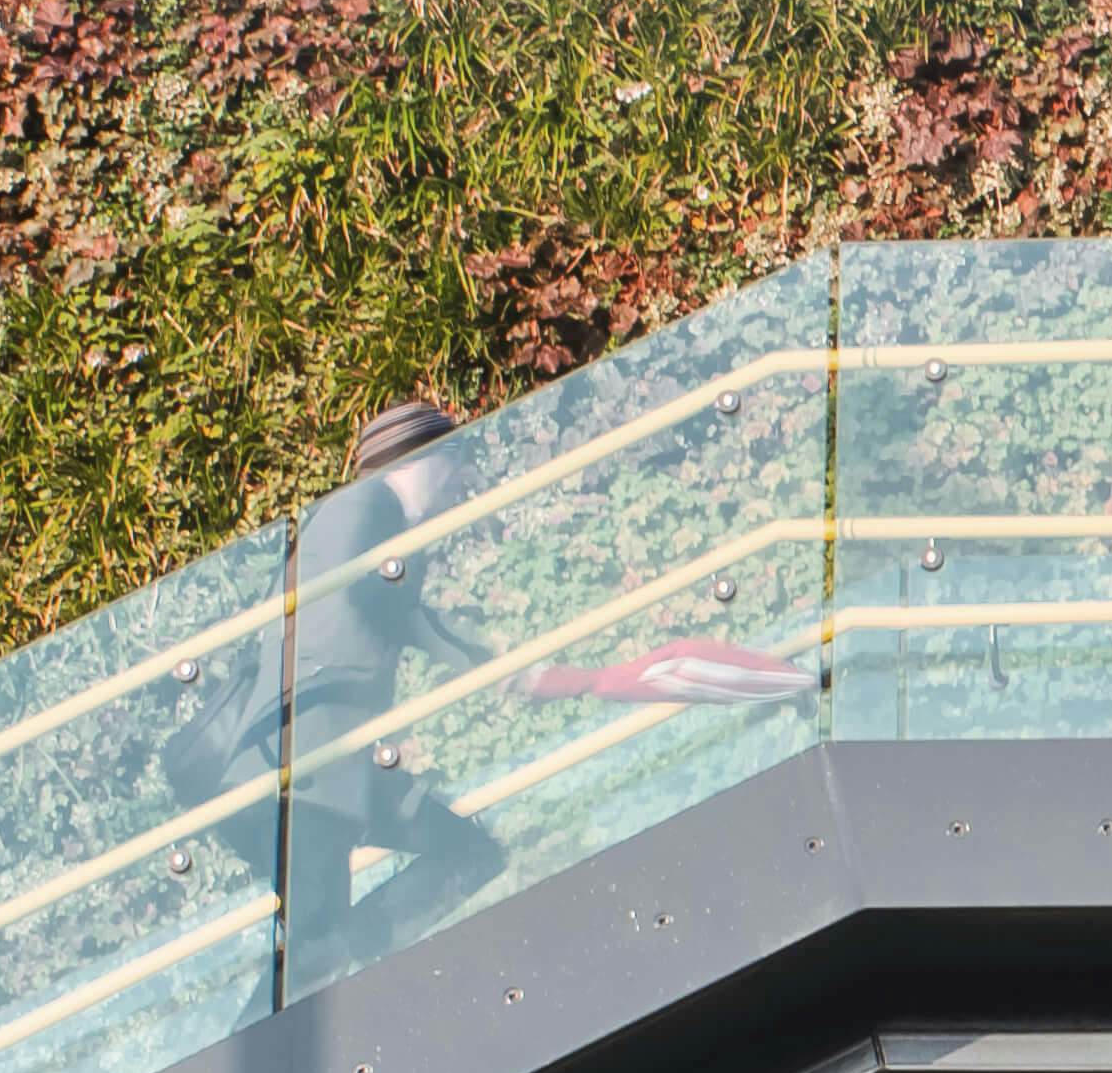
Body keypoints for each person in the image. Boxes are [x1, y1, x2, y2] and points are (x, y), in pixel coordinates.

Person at [161, 397, 811, 961]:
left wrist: (523, 674)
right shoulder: (366, 509)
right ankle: (337, 999)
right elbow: (390, 610)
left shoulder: (347, 525)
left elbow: (397, 617)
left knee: (448, 862)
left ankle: (362, 968)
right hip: (304, 780)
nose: (460, 484)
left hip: (304, 772)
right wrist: (527, 675)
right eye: (456, 465)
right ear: (426, 460)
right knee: (318, 951)